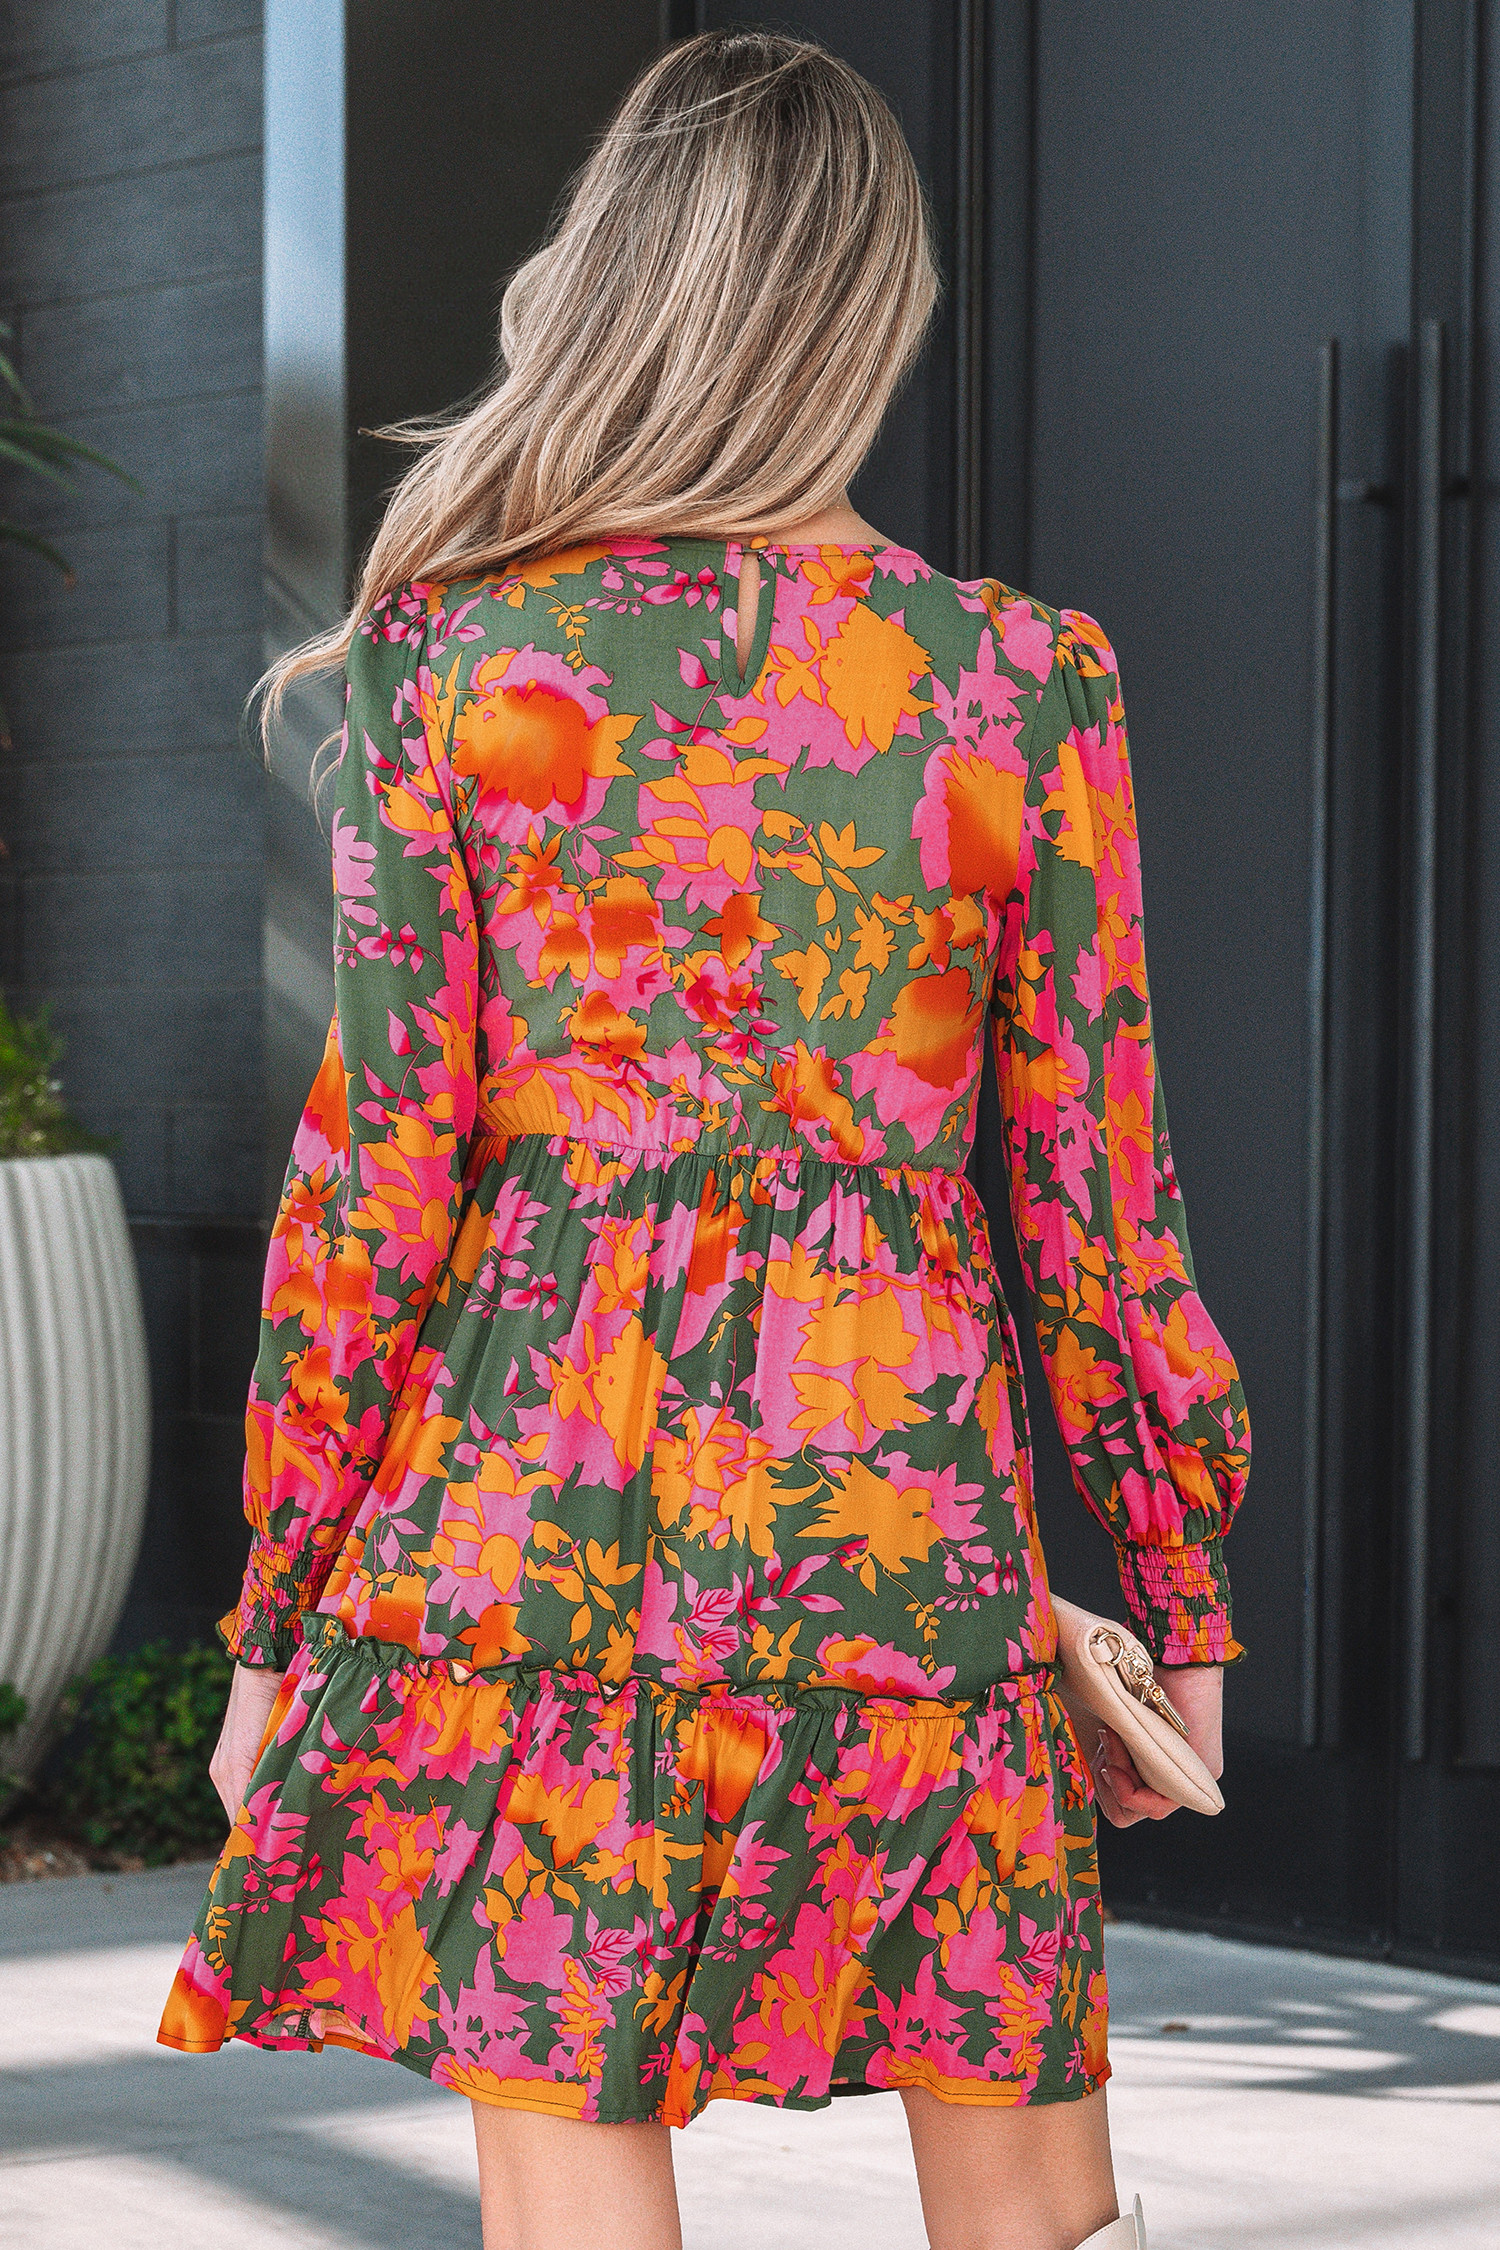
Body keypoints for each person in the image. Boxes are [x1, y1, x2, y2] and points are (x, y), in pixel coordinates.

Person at [158, 30, 1247, 2250]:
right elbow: (1095, 1201)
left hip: (526, 1539)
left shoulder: (453, 663)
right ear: (871, 310)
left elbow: (376, 1187)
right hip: (901, 1534)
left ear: (622, 287)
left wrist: (279, 1614)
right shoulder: (1019, 680)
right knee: (1031, 2213)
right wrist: (1178, 1586)